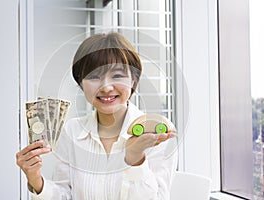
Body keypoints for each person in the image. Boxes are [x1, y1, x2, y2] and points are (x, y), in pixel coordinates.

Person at [16, 32, 178, 200]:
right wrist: (35, 179)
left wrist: (135, 159)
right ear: (81, 83)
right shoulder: (72, 131)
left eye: (117, 76)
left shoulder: (158, 134)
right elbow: (65, 195)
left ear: (133, 80)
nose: (106, 87)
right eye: (94, 76)